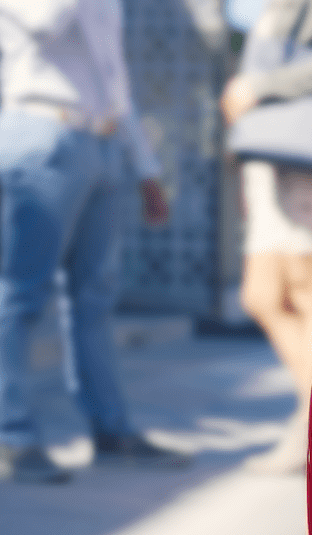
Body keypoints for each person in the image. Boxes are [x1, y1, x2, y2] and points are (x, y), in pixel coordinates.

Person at [0, 0, 189, 484]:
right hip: (43, 131)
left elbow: (115, 79)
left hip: (103, 145)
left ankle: (110, 432)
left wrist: (146, 168)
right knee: (19, 293)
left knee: (95, 300)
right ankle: (10, 434)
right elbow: (42, 20)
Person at [220, 0, 312, 474]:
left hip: (311, 161)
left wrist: (256, 87)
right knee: (261, 295)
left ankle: (310, 429)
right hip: (274, 161)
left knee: (311, 297)